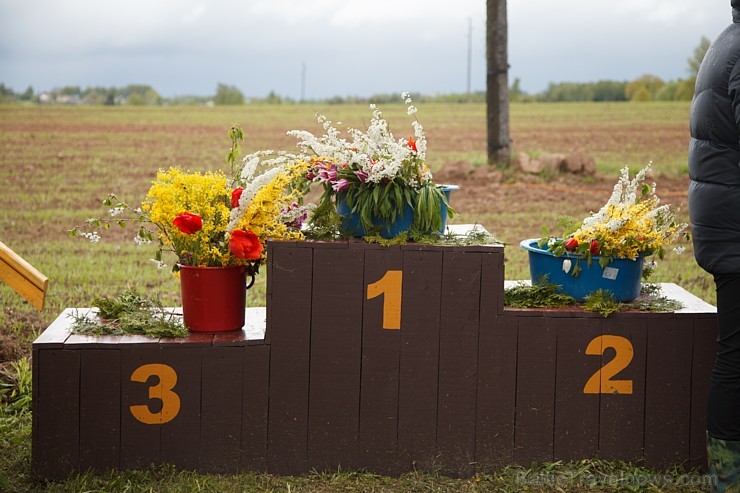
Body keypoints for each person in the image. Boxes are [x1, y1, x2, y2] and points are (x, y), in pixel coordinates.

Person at [689, 1, 740, 491]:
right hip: (735, 229)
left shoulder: (727, 39)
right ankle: (728, 477)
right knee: (736, 357)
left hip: (724, 222)